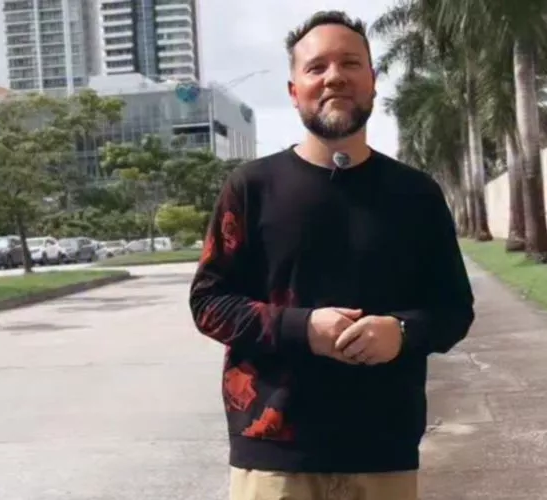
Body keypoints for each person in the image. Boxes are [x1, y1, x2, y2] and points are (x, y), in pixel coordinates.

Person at [188, 10, 475, 500]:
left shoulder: (416, 194)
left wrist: (402, 332)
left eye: (350, 63)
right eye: (316, 67)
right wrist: (302, 328)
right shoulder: (251, 187)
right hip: (274, 456)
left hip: (383, 451)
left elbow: (454, 309)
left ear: (373, 81)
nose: (334, 76)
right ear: (293, 90)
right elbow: (209, 303)